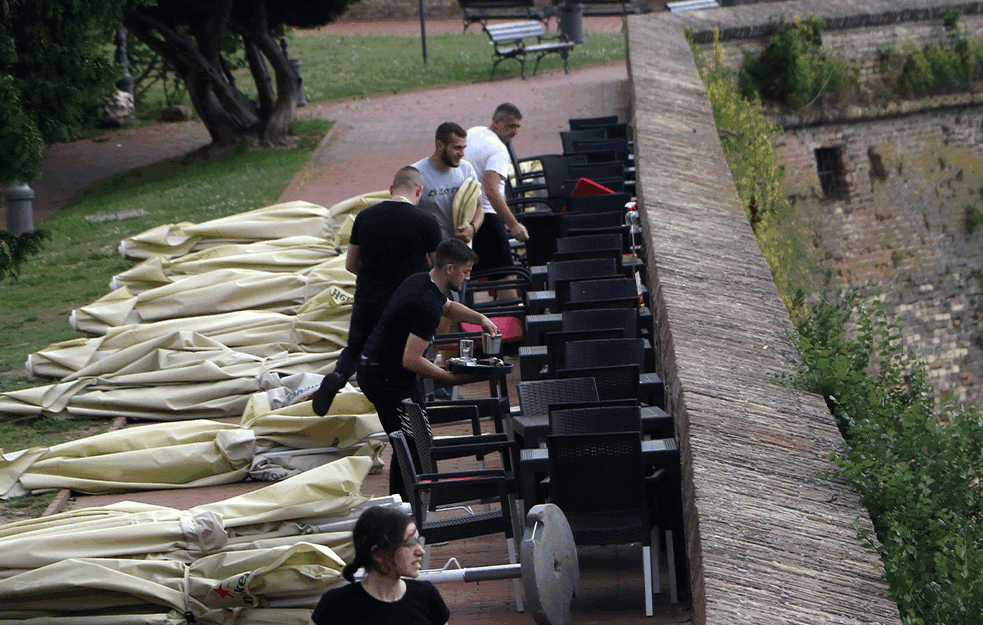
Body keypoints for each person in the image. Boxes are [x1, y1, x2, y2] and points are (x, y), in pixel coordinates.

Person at [357, 239, 497, 496]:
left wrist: (481, 319)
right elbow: (411, 359)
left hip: (388, 372)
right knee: (411, 445)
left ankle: (409, 513)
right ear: (450, 269)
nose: (467, 278)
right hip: (384, 376)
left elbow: (450, 308)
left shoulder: (423, 282)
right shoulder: (426, 304)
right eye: (465, 272)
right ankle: (408, 515)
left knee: (416, 443)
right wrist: (449, 378)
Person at [311, 166, 441, 416]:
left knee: (355, 346)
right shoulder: (427, 222)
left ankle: (338, 376)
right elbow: (437, 269)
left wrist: (373, 277)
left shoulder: (364, 216)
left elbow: (350, 264)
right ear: (419, 191)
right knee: (405, 358)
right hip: (405, 303)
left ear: (391, 189)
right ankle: (411, 412)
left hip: (367, 298)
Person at [308, 505, 449, 625]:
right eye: (411, 543)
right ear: (378, 554)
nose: (421, 551)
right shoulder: (336, 605)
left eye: (419, 541)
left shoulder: (427, 596)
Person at [464, 102, 530, 278]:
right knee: (506, 276)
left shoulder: (473, 132)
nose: (515, 131)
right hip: (488, 218)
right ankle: (510, 306)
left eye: (517, 126)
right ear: (496, 122)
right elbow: (491, 190)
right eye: (510, 125)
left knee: (473, 276)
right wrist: (513, 224)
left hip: (465, 215)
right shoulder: (498, 149)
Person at [413, 122, 483, 245]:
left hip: (462, 250)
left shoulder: (466, 169)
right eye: (456, 148)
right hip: (434, 251)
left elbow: (479, 206)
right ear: (440, 145)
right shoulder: (416, 173)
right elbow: (408, 215)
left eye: (463, 148)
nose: (462, 153)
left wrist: (473, 227)